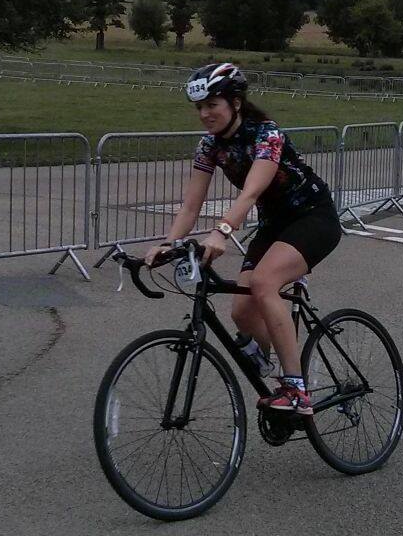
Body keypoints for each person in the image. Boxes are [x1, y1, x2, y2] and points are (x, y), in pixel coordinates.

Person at [144, 62, 342, 415]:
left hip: (313, 217)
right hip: (274, 226)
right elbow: (190, 206)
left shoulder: (267, 134)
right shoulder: (209, 146)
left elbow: (251, 191)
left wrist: (222, 231)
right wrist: (168, 244)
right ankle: (272, 366)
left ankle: (296, 390)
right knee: (241, 311)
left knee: (264, 283)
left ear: (235, 103)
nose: (204, 114)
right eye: (199, 107)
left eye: (212, 105)